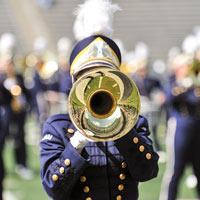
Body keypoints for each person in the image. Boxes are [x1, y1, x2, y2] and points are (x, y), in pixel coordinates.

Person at [40, 1, 159, 200]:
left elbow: (147, 172)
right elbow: (53, 188)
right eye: (89, 78)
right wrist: (76, 143)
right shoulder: (57, 128)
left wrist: (122, 129)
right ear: (76, 81)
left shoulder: (134, 123)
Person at [159, 52, 200, 200]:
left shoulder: (195, 82)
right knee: (176, 171)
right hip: (180, 129)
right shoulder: (173, 81)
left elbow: (196, 100)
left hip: (196, 129)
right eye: (186, 66)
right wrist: (183, 86)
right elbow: (167, 98)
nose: (189, 68)